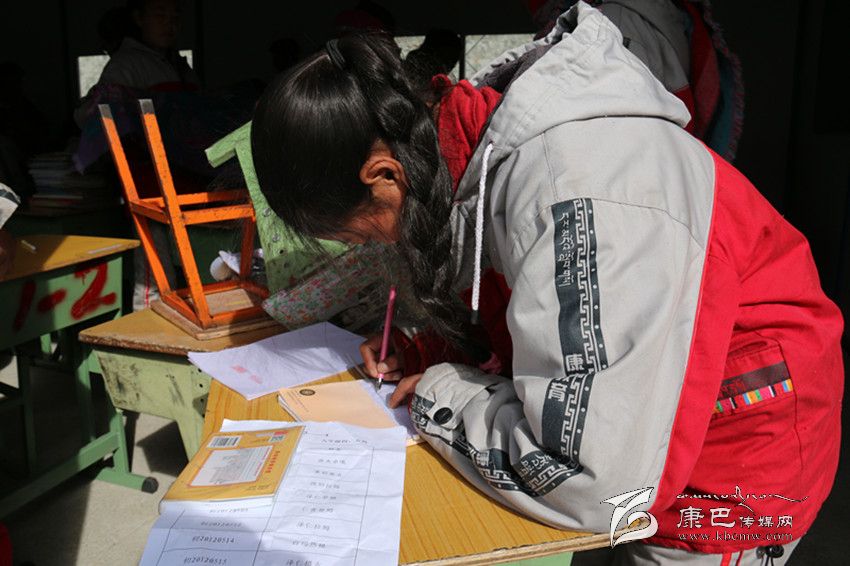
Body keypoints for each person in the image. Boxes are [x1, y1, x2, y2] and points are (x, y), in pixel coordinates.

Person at [250, 4, 842, 564]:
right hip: (660, 444)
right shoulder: (478, 153)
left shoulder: (581, 188)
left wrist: (437, 391)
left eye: (363, 236)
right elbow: (535, 310)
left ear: (384, 174)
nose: (380, 250)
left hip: (730, 472)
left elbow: (593, 482)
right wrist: (428, 349)